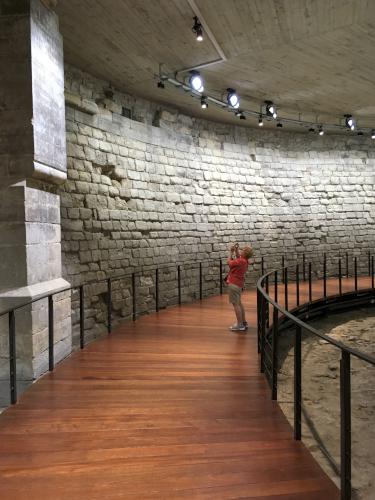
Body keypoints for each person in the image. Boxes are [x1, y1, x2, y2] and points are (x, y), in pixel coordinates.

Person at [226, 243, 253, 332]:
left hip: (233, 284)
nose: (241, 250)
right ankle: (243, 322)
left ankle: (239, 325)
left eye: (243, 250)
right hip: (238, 284)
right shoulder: (244, 261)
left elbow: (229, 263)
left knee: (236, 304)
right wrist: (236, 251)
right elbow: (239, 258)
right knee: (239, 303)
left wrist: (230, 252)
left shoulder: (241, 261)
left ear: (245, 253)